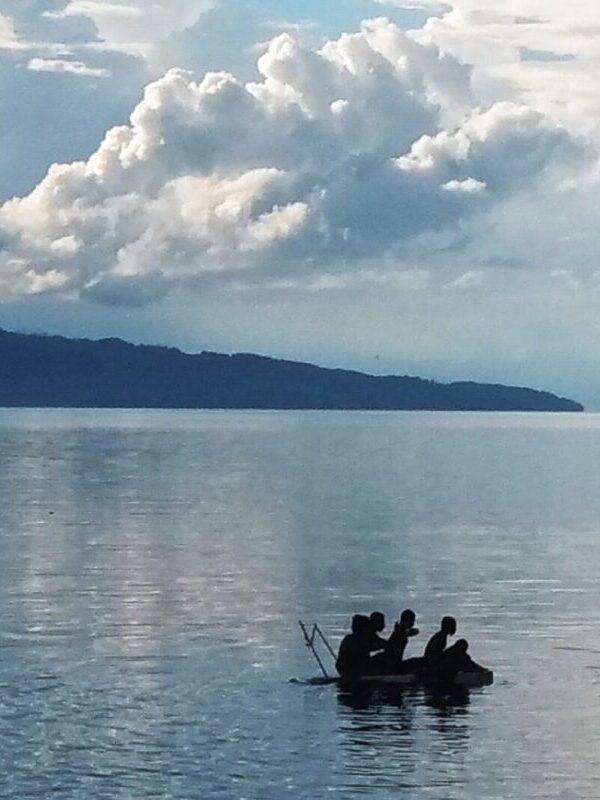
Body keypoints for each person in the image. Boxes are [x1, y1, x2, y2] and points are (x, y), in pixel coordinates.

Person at [385, 609, 420, 673]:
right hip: (394, 664)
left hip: (395, 662)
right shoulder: (400, 632)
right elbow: (414, 631)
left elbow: (415, 631)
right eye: (413, 621)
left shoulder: (400, 630)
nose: (413, 623)